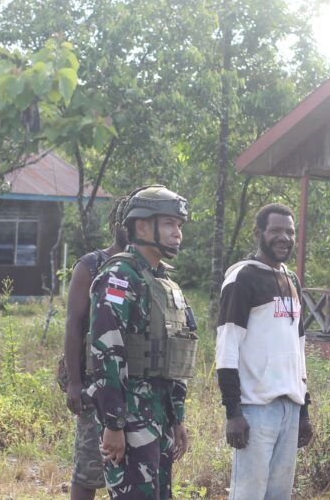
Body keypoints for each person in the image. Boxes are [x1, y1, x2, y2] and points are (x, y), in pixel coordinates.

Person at [87, 185, 197, 500]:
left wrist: (177, 418)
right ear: (142, 226)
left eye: (179, 226)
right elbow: (107, 351)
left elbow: (174, 352)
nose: (177, 233)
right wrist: (114, 423)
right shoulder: (120, 276)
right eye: (169, 224)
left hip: (159, 414)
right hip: (130, 415)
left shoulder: (163, 281)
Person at [215, 203, 313, 500]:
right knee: (248, 494)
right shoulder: (243, 278)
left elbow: (299, 348)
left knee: (278, 495)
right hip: (255, 409)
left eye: (290, 232)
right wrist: (233, 412)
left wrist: (304, 409)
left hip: (290, 407)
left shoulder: (291, 280)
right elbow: (227, 347)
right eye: (276, 231)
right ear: (258, 233)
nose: (284, 238)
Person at [62, 197, 128, 500]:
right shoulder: (92, 264)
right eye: (124, 220)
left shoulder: (151, 268)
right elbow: (74, 324)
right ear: (116, 224)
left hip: (133, 384)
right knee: (89, 468)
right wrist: (75, 382)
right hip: (95, 382)